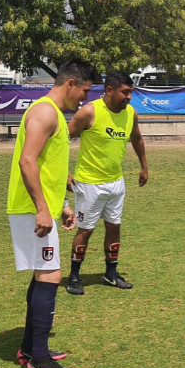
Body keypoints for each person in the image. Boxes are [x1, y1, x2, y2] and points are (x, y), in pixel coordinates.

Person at [7, 59, 96, 368]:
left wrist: (61, 206)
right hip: (31, 210)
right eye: (85, 90)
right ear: (70, 83)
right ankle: (39, 360)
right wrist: (44, 210)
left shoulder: (54, 113)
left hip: (40, 207)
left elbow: (48, 167)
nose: (85, 98)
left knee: (44, 274)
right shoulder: (45, 112)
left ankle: (31, 348)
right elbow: (27, 161)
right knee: (50, 275)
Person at [65, 71, 149, 295]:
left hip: (116, 182)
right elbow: (61, 139)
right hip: (89, 183)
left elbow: (137, 138)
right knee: (86, 230)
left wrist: (144, 166)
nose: (129, 97)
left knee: (114, 227)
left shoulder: (130, 113)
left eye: (131, 92)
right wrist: (64, 172)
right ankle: (74, 277)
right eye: (125, 92)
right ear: (110, 90)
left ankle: (111, 274)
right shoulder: (89, 112)